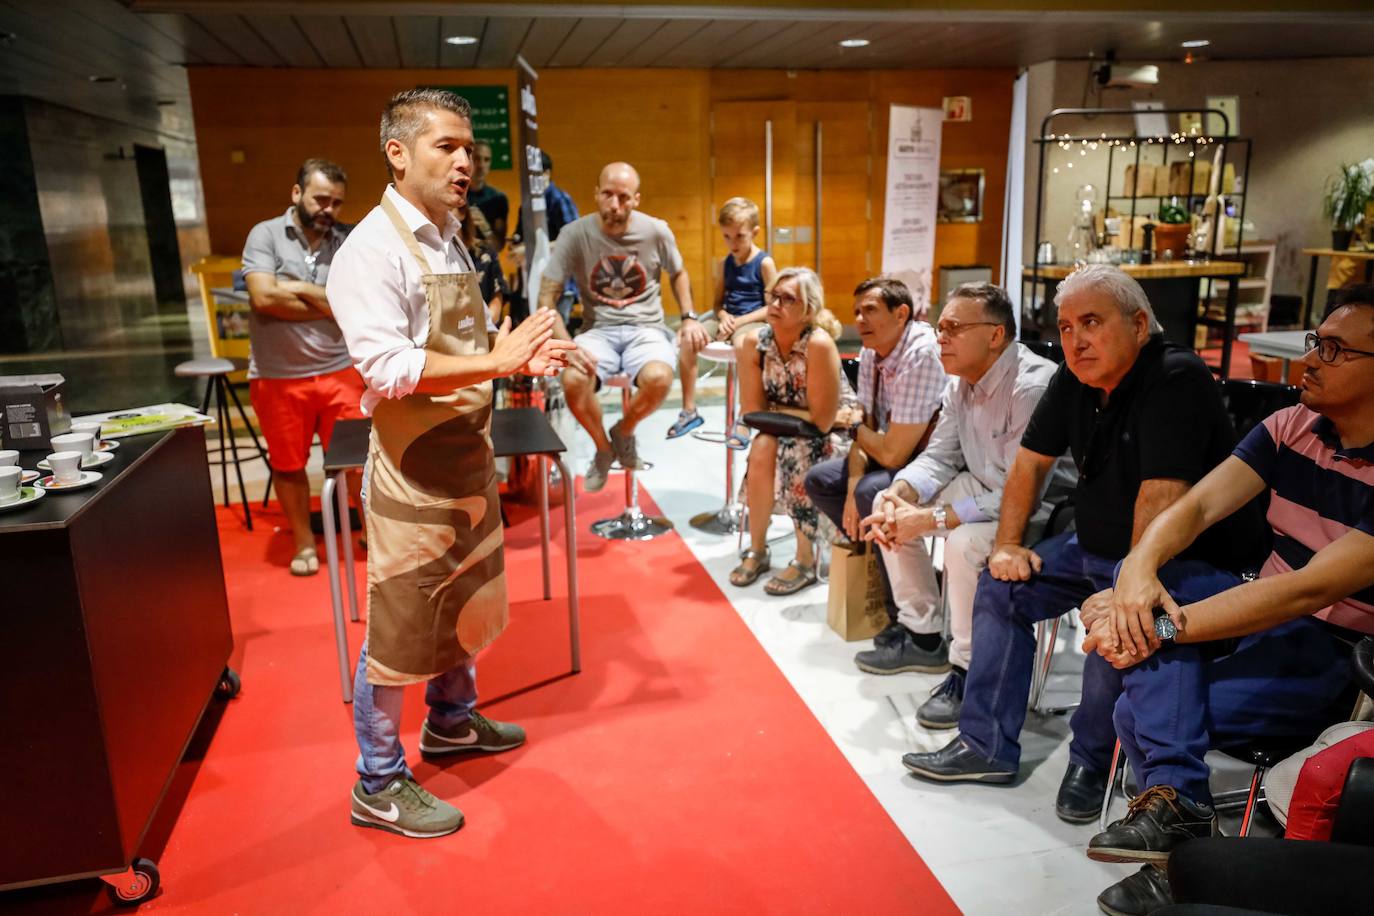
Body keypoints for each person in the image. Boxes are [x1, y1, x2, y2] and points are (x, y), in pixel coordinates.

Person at [900, 265, 1267, 830]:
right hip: (1089, 544)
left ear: (1139, 323)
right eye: (1066, 326)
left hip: (1175, 562)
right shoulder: (1077, 377)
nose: (1075, 339)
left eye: (1091, 322)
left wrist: (1124, 584)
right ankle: (986, 745)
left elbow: (1162, 498)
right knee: (1002, 584)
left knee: (1118, 619)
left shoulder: (1175, 378)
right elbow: (1030, 462)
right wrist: (1007, 545)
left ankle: (1090, 763)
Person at [327, 88, 574, 840]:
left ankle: (453, 723)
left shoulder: (448, 235)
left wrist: (526, 350)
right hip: (410, 469)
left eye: (471, 149)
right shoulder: (369, 250)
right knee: (402, 624)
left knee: (463, 596)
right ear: (397, 154)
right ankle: (377, 780)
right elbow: (387, 365)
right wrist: (496, 360)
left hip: (466, 454)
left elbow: (470, 345)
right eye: (446, 147)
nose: (465, 162)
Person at [1082, 286, 1374, 913]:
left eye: (1336, 349)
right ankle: (1182, 814)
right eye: (1315, 341)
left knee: (1139, 713)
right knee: (1171, 579)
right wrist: (1135, 574)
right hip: (1261, 606)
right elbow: (1197, 506)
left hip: (1337, 647)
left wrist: (1149, 628)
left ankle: (1181, 842)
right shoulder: (1295, 425)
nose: (1312, 358)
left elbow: (1310, 589)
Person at [859, 282, 1073, 726]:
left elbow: (1021, 494)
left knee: (964, 542)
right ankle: (921, 633)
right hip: (980, 486)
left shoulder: (1030, 387)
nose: (941, 338)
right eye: (939, 328)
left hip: (1041, 510)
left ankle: (968, 669)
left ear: (995, 335)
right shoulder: (960, 383)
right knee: (885, 502)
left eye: (954, 328)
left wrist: (933, 517)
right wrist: (904, 493)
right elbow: (940, 457)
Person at [536, 161, 703, 493]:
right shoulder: (575, 233)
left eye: (624, 197)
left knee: (659, 378)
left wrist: (688, 316)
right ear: (596, 194)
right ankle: (602, 447)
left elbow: (679, 272)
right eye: (608, 195)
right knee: (572, 380)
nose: (615, 205)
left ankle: (623, 431)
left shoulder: (656, 230)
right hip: (597, 329)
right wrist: (568, 346)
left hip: (647, 328)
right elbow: (547, 297)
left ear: (636, 199)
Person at [803, 277, 946, 663]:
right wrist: (850, 487)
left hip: (940, 463)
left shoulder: (922, 353)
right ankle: (920, 586)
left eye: (870, 310)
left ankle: (917, 627)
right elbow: (866, 432)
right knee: (823, 482)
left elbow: (893, 451)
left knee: (874, 497)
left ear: (902, 314)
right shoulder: (871, 352)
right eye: (856, 311)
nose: (859, 319)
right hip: (894, 453)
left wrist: (854, 429)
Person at [241, 157, 364, 577]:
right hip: (278, 377)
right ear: (297, 194)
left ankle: (370, 532)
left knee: (356, 462)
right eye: (320, 199)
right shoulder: (265, 235)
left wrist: (293, 287)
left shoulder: (347, 240)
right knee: (288, 465)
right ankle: (304, 542)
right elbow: (262, 298)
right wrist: (323, 301)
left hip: (340, 372)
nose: (328, 209)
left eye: (336, 202)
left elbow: (352, 305)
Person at [728, 268, 854, 595]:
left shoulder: (818, 344)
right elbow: (752, 413)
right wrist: (789, 413)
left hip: (833, 433)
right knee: (762, 446)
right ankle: (758, 548)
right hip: (785, 427)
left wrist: (779, 410)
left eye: (788, 299)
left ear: (808, 310)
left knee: (797, 449)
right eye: (774, 296)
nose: (776, 304)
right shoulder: (751, 343)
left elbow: (824, 421)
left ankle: (804, 559)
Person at [669, 196, 777, 442]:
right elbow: (718, 303)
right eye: (727, 236)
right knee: (689, 337)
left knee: (743, 344)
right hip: (728, 317)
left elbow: (773, 306)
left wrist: (737, 322)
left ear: (755, 232)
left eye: (739, 236)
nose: (733, 243)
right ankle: (689, 410)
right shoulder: (724, 263)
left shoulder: (765, 263)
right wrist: (724, 315)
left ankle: (745, 414)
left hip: (754, 319)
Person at [514, 151, 581, 324]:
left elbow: (574, 240)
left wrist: (532, 249)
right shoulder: (527, 203)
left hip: (559, 283)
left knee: (556, 333)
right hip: (531, 280)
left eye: (535, 175)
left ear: (547, 174)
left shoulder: (559, 199)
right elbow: (519, 237)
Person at [467, 139, 508, 251]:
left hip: (487, 263)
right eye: (477, 158)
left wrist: (486, 229)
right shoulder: (454, 194)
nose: (481, 165)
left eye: (486, 160)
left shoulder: (498, 199)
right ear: (468, 159)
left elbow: (499, 246)